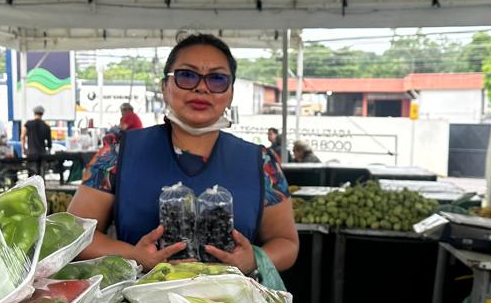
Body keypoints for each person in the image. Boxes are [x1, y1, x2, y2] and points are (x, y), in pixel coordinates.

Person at [70, 33, 299, 273]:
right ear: (164, 87)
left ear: (230, 93)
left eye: (217, 79)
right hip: (137, 297)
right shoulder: (117, 154)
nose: (201, 88)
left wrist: (253, 261)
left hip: (231, 298)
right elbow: (74, 235)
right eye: (187, 76)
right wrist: (133, 257)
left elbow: (286, 242)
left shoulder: (260, 163)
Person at [22, 106, 53, 178]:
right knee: (41, 175)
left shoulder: (28, 124)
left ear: (34, 113)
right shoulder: (46, 126)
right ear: (42, 114)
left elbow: (22, 136)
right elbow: (49, 143)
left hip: (31, 153)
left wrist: (23, 148)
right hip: (42, 154)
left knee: (31, 174)